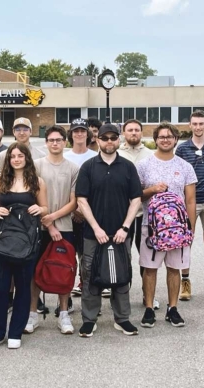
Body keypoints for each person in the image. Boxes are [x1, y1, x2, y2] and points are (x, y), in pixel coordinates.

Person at [75, 123, 142, 337]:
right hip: (93, 233)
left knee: (121, 274)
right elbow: (82, 200)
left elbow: (136, 199)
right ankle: (89, 319)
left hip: (121, 233)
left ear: (119, 140)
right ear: (98, 140)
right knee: (90, 274)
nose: (109, 141)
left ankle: (122, 318)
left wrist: (125, 227)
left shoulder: (128, 167)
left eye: (113, 137)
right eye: (105, 138)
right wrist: (95, 228)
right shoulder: (88, 167)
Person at [0, 142, 49, 349]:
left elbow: (45, 207)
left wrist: (39, 209)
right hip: (3, 242)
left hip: (27, 242)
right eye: (12, 156)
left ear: (26, 158)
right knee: (1, 289)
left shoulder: (37, 181)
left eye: (20, 155)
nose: (16, 159)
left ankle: (15, 333)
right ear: (8, 159)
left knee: (23, 288)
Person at [138, 122, 197, 328]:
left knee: (174, 269)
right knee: (150, 269)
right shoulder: (144, 165)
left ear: (175, 140)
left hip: (178, 230)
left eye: (169, 136)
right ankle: (148, 308)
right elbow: (136, 195)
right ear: (155, 139)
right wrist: (152, 189)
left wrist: (190, 228)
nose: (165, 139)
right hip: (152, 227)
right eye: (161, 136)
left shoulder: (185, 166)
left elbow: (190, 200)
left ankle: (173, 308)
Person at [29, 125, 78, 335]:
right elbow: (32, 198)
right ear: (46, 143)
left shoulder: (73, 168)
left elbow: (74, 202)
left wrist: (54, 219)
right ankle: (32, 314)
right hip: (40, 227)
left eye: (59, 140)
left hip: (65, 227)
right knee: (35, 271)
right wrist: (47, 224)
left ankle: (64, 314)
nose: (55, 143)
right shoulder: (37, 166)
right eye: (51, 140)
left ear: (65, 142)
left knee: (64, 270)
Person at [175, 110, 204, 301]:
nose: (197, 127)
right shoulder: (182, 148)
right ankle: (185, 282)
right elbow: (178, 175)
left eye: (201, 123)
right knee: (187, 241)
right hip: (190, 202)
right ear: (190, 125)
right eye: (194, 124)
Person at [117, 119, 155, 304]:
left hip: (144, 215)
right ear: (124, 133)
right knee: (122, 256)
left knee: (146, 257)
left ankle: (147, 294)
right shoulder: (115, 154)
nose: (133, 133)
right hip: (121, 216)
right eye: (130, 130)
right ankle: (122, 296)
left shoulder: (150, 155)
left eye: (137, 130)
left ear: (141, 132)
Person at [63, 118, 97, 297]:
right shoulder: (65, 156)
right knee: (69, 256)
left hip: (89, 215)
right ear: (71, 134)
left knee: (87, 256)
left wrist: (84, 212)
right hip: (68, 214)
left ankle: (88, 288)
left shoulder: (94, 157)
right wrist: (74, 210)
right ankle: (66, 293)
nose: (79, 134)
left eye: (82, 130)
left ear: (88, 134)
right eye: (75, 131)